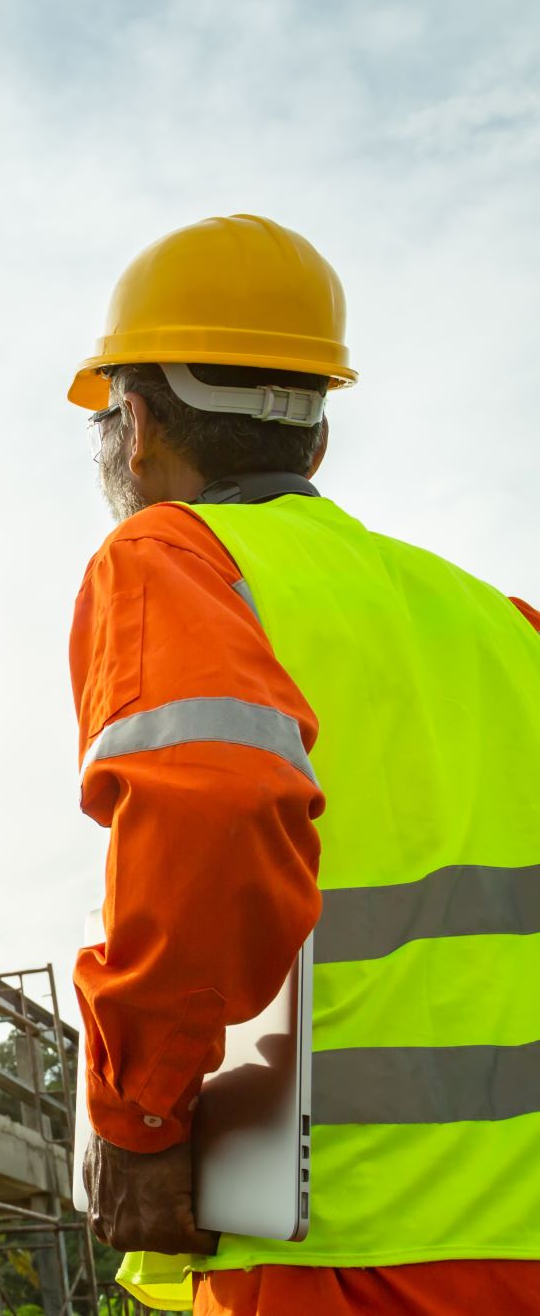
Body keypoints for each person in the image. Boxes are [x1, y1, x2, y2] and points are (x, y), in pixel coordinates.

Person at [68, 214, 540, 1314]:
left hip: (338, 1250)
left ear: (133, 425)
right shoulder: (500, 625)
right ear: (315, 439)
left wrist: (139, 1113)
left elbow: (215, 805)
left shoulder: (170, 559)